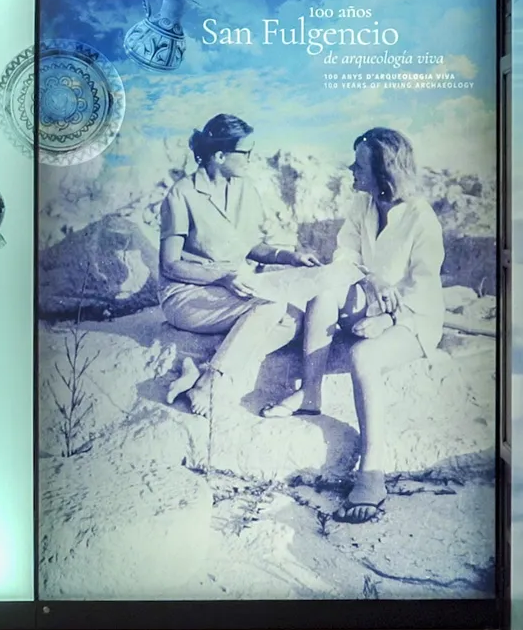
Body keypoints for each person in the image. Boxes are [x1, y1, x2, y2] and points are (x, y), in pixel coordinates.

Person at [156, 114, 334, 418]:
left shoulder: (244, 189)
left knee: (295, 321)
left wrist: (289, 256)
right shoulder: (181, 194)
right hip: (187, 294)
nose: (250, 159)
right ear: (219, 155)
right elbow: (170, 265)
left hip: (232, 288)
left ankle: (201, 368)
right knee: (269, 306)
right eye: (245, 152)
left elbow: (252, 246)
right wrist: (222, 276)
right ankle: (210, 383)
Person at [329, 126, 450, 524]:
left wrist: (386, 320)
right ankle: (306, 395)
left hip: (414, 319)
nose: (351, 169)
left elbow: (423, 289)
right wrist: (371, 279)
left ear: (384, 171)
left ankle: (372, 472)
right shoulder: (362, 204)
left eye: (359, 164)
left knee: (362, 357)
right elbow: (343, 253)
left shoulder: (421, 218)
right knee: (321, 294)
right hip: (370, 303)